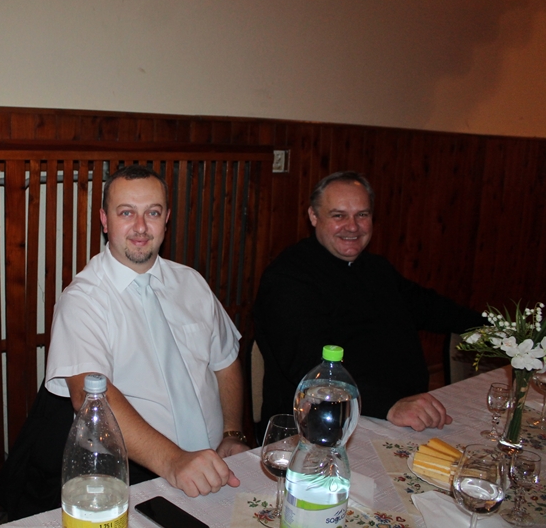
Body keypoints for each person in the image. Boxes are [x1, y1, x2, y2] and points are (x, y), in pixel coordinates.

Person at [44, 165, 249, 498]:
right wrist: (174, 461)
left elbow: (225, 361)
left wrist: (232, 434)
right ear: (105, 220)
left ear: (166, 218)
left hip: (216, 464)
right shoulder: (82, 299)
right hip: (138, 475)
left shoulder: (192, 283)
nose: (140, 227)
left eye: (152, 213)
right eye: (126, 213)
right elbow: (90, 397)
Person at [253, 171, 484, 435]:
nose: (353, 227)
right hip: (319, 426)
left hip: (398, 416)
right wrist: (389, 405)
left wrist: (500, 330)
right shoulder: (287, 278)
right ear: (314, 217)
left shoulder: (376, 268)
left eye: (362, 214)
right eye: (338, 215)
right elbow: (310, 367)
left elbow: (431, 308)